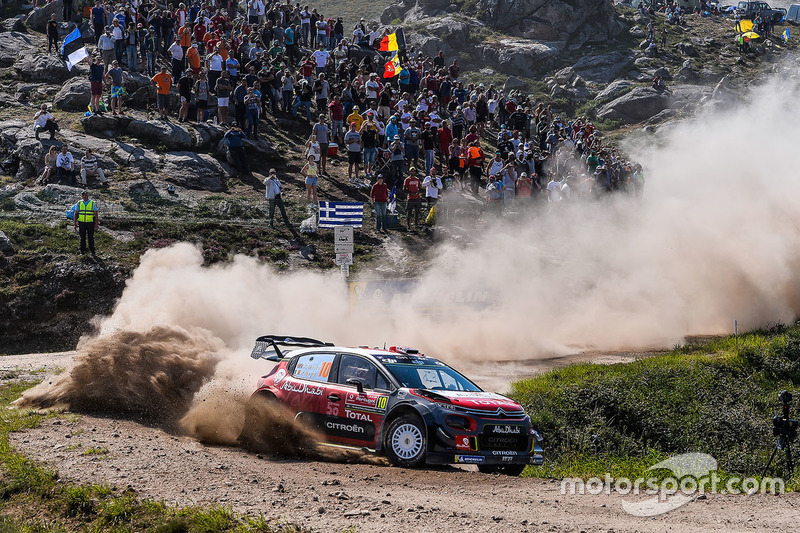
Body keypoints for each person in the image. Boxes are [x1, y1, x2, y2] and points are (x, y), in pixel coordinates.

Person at [73, 190, 99, 255]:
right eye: (84, 195)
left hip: (90, 223)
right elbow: (76, 213)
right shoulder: (79, 203)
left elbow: (96, 214)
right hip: (81, 223)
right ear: (82, 196)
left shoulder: (92, 203)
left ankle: (92, 251)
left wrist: (96, 224)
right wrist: (75, 223)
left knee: (91, 237)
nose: (85, 196)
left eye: (86, 195)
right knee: (82, 237)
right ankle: (82, 251)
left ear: (88, 195)